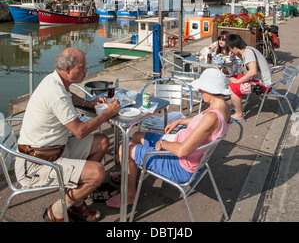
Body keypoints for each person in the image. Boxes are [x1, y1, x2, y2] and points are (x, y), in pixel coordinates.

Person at [15, 47, 121, 222]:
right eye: (82, 67)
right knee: (97, 173)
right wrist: (106, 114)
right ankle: (55, 212)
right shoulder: (55, 93)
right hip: (38, 163)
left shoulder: (55, 81)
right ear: (67, 69)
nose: (86, 70)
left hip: (56, 149)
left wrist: (88, 103)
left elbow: (69, 95)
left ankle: (76, 201)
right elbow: (79, 132)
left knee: (101, 142)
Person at [105, 68, 231, 208]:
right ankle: (128, 172)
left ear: (211, 89)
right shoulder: (223, 108)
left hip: (180, 166)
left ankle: (129, 195)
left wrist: (163, 143)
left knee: (124, 149)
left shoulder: (211, 117)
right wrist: (179, 121)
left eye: (202, 89)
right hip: (184, 152)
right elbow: (202, 124)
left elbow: (182, 151)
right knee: (136, 136)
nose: (199, 92)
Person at [226, 34, 272, 123]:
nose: (230, 50)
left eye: (230, 48)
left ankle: (239, 114)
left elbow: (253, 72)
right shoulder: (248, 50)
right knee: (232, 78)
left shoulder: (248, 53)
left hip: (263, 85)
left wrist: (238, 81)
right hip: (260, 80)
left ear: (235, 47)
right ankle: (237, 108)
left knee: (233, 87)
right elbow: (247, 62)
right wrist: (236, 55)